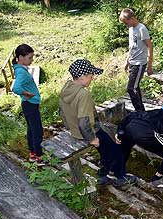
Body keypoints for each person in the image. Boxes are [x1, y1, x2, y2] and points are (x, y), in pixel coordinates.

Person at [59, 59, 137, 187]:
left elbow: (61, 112)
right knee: (115, 149)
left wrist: (70, 128)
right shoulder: (83, 94)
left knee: (106, 148)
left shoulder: (67, 88)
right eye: (91, 76)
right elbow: (84, 122)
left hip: (74, 131)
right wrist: (92, 139)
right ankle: (120, 176)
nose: (92, 78)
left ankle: (103, 174)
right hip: (88, 132)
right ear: (82, 77)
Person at [115, 101, 163, 188]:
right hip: (145, 132)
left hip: (130, 128)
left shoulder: (156, 112)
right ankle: (158, 178)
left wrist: (119, 132)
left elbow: (131, 115)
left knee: (126, 146)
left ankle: (116, 170)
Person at [12, 44, 45, 166]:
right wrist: (27, 94)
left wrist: (26, 94)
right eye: (30, 57)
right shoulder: (21, 72)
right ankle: (39, 157)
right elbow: (15, 88)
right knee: (37, 131)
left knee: (31, 129)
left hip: (28, 104)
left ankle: (32, 154)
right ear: (20, 57)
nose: (32, 60)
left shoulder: (19, 69)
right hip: (30, 105)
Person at [119, 8, 153, 112]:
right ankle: (141, 112)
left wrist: (150, 65)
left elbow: (149, 46)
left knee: (131, 88)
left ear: (132, 18)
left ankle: (140, 112)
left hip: (140, 63)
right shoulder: (131, 29)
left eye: (126, 22)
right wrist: (127, 60)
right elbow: (132, 47)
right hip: (133, 62)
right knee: (135, 87)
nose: (126, 25)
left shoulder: (141, 29)